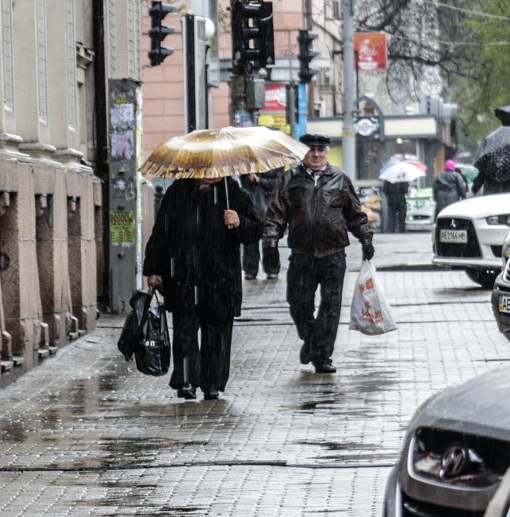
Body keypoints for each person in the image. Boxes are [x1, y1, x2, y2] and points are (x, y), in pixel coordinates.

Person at [263, 133, 374, 374]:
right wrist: (270, 244)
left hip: (333, 253)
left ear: (326, 152)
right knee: (298, 303)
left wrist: (366, 238)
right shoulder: (289, 180)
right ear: (303, 152)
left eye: (320, 149)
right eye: (311, 149)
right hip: (302, 253)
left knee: (331, 306)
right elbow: (275, 215)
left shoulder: (340, 179)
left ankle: (322, 355)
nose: (316, 154)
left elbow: (355, 214)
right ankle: (313, 341)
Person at [143, 176, 262, 400]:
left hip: (221, 279)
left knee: (217, 335)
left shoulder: (234, 193)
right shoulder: (178, 191)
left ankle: (212, 383)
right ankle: (187, 380)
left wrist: (239, 222)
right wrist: (154, 269)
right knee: (185, 332)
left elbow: (255, 232)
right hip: (184, 276)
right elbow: (161, 232)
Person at [240, 168, 283, 280]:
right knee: (250, 242)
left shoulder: (274, 163)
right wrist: (246, 172)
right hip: (250, 206)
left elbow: (278, 183)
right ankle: (250, 270)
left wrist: (259, 180)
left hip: (269, 207)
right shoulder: (246, 165)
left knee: (270, 241)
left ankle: (272, 269)